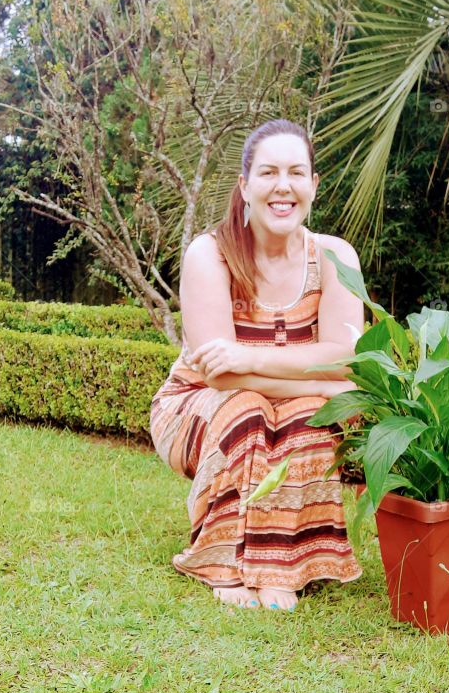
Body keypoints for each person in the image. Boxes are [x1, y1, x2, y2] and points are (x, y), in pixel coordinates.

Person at [150, 119, 364, 610]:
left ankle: (282, 566)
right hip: (197, 406)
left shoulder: (334, 257)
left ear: (314, 184)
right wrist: (322, 383)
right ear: (245, 186)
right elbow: (219, 374)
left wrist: (251, 355)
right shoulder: (211, 254)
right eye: (268, 173)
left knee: (309, 417)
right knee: (247, 409)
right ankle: (222, 562)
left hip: (281, 400)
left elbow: (345, 357)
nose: (283, 186)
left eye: (296, 172)